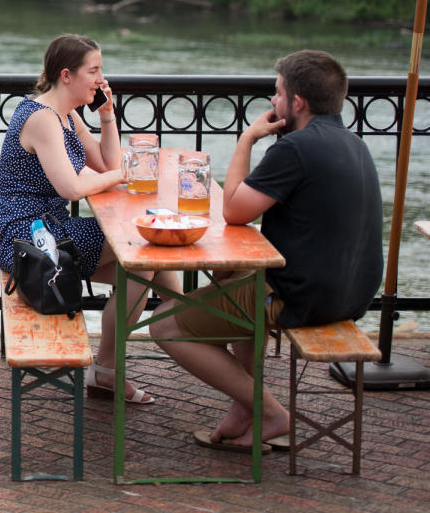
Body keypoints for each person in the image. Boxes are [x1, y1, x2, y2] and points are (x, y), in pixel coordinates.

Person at [150, 50, 383, 451]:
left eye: (277, 94)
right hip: (351, 295)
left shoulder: (295, 149)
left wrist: (247, 138)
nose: (272, 103)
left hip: (301, 297)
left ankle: (271, 411)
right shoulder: (354, 144)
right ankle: (245, 406)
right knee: (227, 274)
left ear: (298, 103)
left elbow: (234, 210)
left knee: (164, 323)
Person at [0, 33, 179, 403]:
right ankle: (135, 355)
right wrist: (126, 174)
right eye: (93, 70)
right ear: (66, 75)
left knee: (143, 265)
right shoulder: (43, 118)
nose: (100, 78)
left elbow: (106, 163)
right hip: (28, 239)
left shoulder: (66, 114)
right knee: (141, 257)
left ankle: (176, 327)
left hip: (47, 232)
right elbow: (72, 188)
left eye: (101, 70)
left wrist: (107, 115)